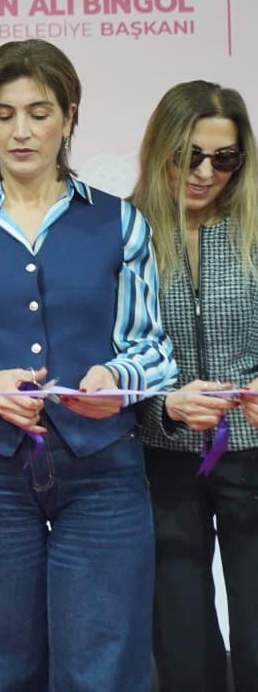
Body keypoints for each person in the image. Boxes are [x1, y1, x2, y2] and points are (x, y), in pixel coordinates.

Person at [0, 39, 177, 692]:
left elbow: (153, 349)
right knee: (7, 669)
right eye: (3, 114)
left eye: (39, 113)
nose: (21, 131)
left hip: (103, 473)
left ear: (69, 118)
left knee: (103, 670)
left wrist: (117, 380)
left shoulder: (120, 222)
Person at [129, 80, 258, 692]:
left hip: (253, 459)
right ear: (162, 149)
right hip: (162, 465)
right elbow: (107, 358)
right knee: (182, 646)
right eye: (190, 156)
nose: (207, 173)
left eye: (224, 158)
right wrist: (163, 407)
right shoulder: (124, 234)